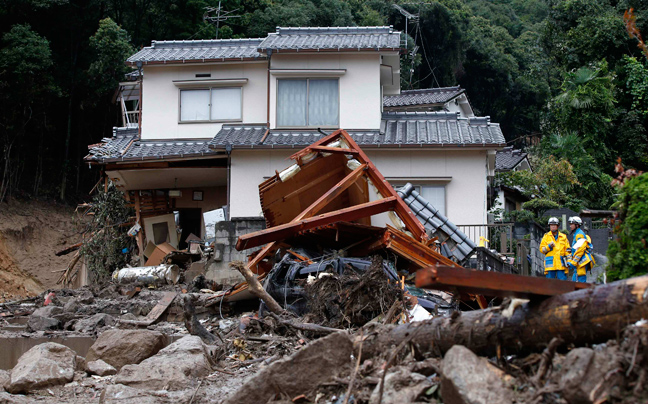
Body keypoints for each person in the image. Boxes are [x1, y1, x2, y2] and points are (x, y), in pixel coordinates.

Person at [566, 216, 595, 283]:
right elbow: (577, 247)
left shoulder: (579, 235)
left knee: (579, 282)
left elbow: (580, 250)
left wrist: (573, 262)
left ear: (577, 225)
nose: (570, 226)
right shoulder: (577, 234)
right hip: (580, 262)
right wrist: (571, 249)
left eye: (571, 224)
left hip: (581, 262)